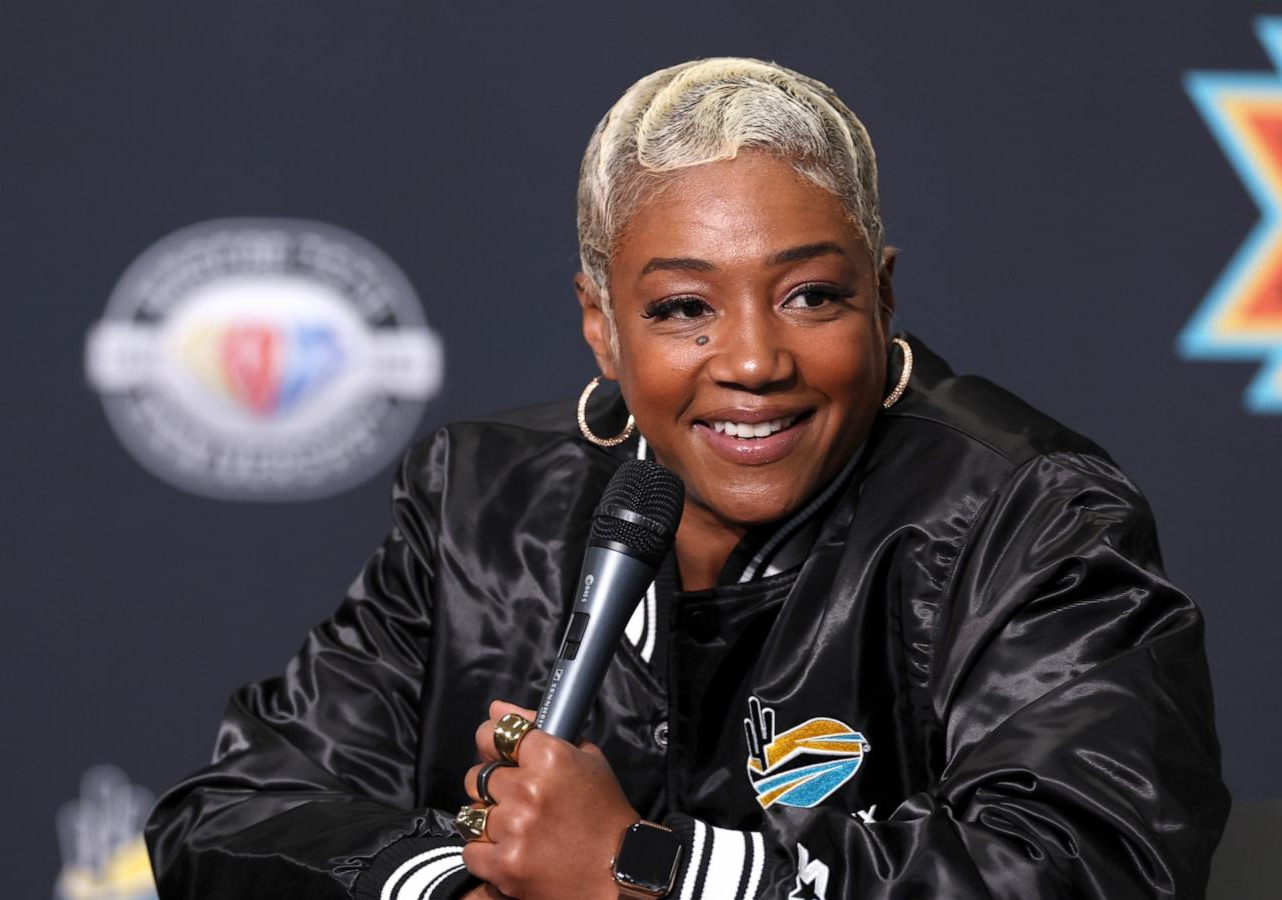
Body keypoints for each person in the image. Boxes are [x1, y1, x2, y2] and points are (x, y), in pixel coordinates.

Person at [145, 58, 1229, 899]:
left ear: (884, 299)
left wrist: (644, 868)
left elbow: (1095, 865)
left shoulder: (1032, 513)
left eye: (811, 295)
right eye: (681, 309)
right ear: (600, 327)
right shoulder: (481, 501)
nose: (754, 360)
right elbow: (231, 817)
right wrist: (465, 881)